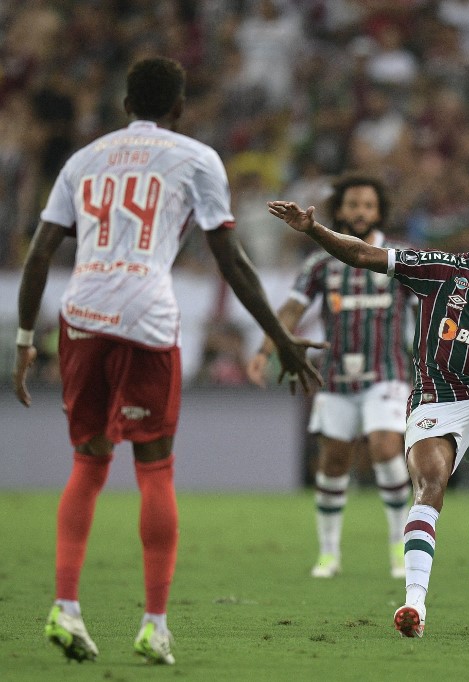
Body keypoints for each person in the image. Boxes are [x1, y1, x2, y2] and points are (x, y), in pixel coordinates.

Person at [12, 57, 322, 665]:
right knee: (154, 469)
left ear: (126, 105)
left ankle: (65, 606)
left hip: (81, 315)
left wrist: (26, 338)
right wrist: (281, 339)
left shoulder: (83, 160)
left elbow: (40, 253)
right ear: (179, 108)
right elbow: (230, 259)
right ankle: (154, 626)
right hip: (146, 317)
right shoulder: (197, 158)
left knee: (88, 463)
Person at [267, 196, 469, 638]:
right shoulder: (442, 271)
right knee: (431, 485)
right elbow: (363, 254)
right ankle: (414, 603)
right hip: (439, 402)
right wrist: (313, 229)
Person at [247, 174, 413, 580]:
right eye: (353, 204)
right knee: (334, 460)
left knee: (386, 448)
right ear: (339, 210)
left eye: (368, 206)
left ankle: (400, 546)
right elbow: (291, 310)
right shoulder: (320, 263)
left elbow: (431, 304)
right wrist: (264, 351)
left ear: (379, 212)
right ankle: (328, 553)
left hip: (388, 372)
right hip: (336, 376)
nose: (360, 212)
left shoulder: (398, 258)